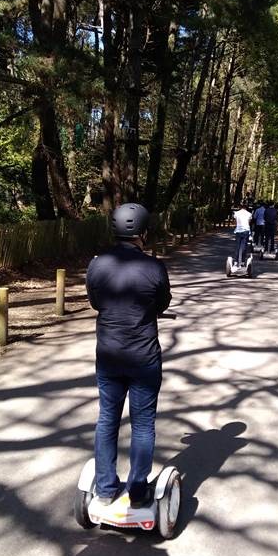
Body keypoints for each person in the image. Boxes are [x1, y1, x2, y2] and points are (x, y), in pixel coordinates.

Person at [86, 203, 172, 508]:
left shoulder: (97, 265)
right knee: (143, 423)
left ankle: (106, 488)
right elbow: (161, 305)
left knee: (107, 418)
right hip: (143, 356)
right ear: (144, 233)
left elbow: (96, 303)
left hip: (108, 355)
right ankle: (138, 491)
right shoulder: (154, 267)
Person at [232, 201, 252, 267]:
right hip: (246, 231)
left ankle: (235, 261)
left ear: (240, 206)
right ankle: (243, 261)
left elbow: (234, 222)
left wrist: (235, 226)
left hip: (238, 231)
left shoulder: (236, 213)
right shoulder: (249, 214)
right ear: (246, 207)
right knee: (244, 247)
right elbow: (249, 223)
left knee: (237, 247)